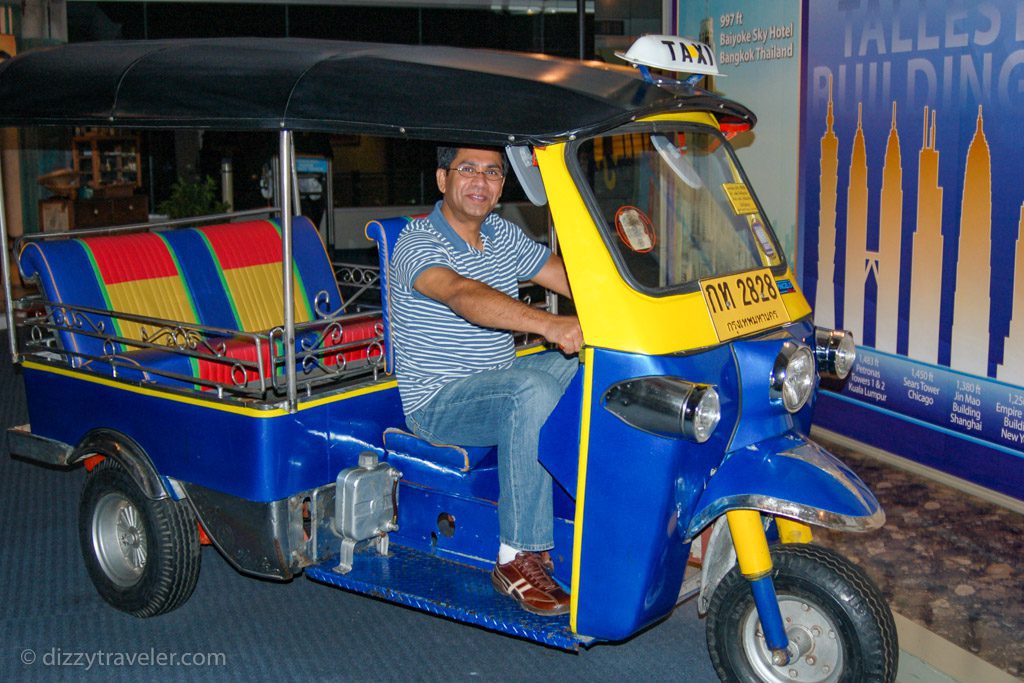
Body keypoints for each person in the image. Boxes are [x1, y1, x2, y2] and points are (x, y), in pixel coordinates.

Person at [390, 146, 582, 616]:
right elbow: (462, 294)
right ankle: (516, 555)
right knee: (531, 392)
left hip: (497, 380)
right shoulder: (417, 242)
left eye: (492, 172)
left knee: (593, 366)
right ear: (442, 179)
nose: (481, 181)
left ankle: (593, 499)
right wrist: (549, 324)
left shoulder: (500, 233)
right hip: (438, 403)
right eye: (468, 170)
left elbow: (566, 277)